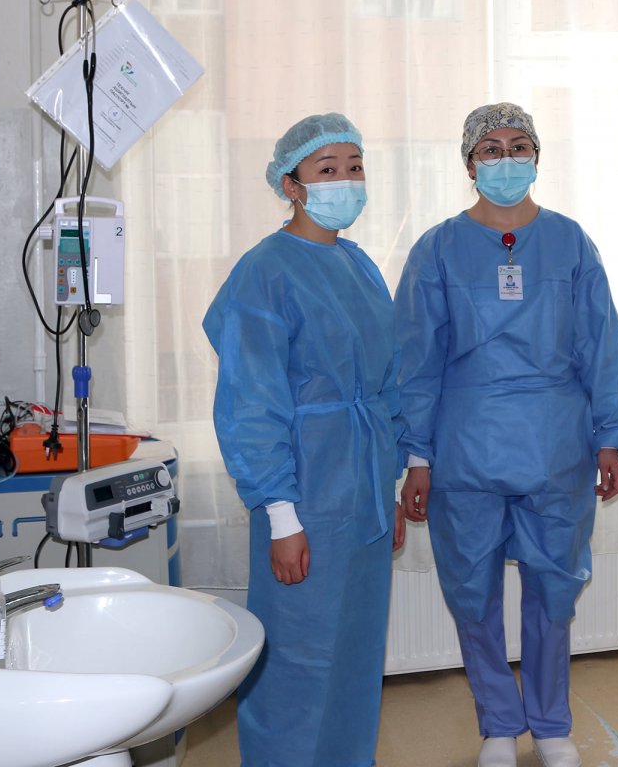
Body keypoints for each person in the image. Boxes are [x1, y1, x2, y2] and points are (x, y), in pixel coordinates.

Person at [395, 102, 618, 767]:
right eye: (491, 149)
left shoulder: (570, 243)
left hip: (557, 443)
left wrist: (611, 436)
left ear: (537, 157)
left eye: (518, 147)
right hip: (464, 445)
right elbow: (415, 361)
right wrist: (417, 457)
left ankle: (551, 724)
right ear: (469, 163)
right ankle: (499, 725)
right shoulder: (437, 250)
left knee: (553, 591)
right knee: (471, 592)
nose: (506, 160)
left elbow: (602, 344)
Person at [203, 112, 405, 767]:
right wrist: (282, 516)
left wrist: (390, 488)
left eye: (355, 166)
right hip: (304, 497)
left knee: (354, 657)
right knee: (298, 659)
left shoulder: (359, 265)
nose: (345, 179)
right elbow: (251, 404)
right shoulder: (264, 272)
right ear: (291, 185)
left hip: (364, 496)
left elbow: (386, 386)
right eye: (327, 169)